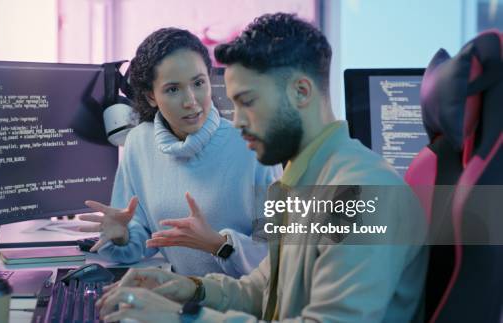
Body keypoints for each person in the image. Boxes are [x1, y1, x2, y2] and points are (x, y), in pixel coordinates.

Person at [94, 13, 428, 323]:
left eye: (248, 103)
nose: (236, 122)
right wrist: (190, 289)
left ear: (300, 92)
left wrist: (184, 318)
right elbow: (264, 290)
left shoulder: (360, 192)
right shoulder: (308, 179)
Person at [78, 28, 282, 278]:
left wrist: (220, 245)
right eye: (173, 89)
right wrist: (122, 237)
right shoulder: (139, 143)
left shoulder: (252, 146)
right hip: (186, 298)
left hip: (245, 305)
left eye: (198, 83)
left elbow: (281, 253)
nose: (191, 101)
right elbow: (141, 237)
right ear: (150, 96)